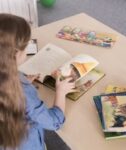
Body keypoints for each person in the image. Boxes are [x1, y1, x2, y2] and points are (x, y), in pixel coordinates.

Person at [0, 14, 75, 150]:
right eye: (26, 46)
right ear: (16, 54)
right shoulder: (22, 94)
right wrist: (60, 92)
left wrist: (23, 79)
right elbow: (54, 122)